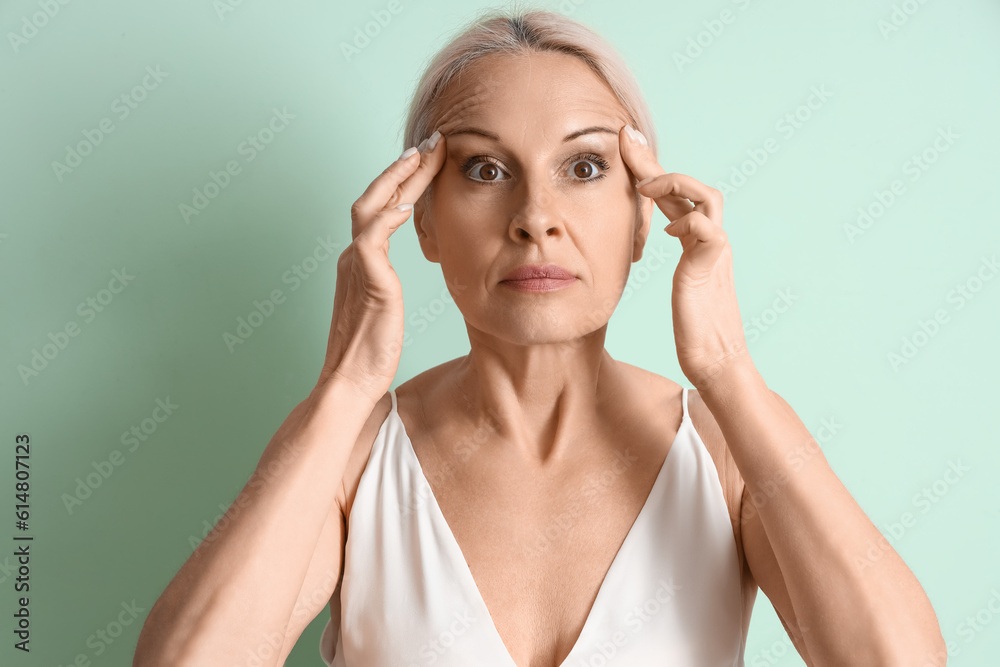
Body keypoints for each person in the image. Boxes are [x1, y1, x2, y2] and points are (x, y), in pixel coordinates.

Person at [133, 8, 946, 667]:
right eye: (486, 169)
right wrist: (346, 384)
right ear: (422, 219)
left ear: (641, 216)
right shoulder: (352, 457)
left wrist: (728, 370)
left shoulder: (726, 450)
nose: (535, 218)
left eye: (586, 167)